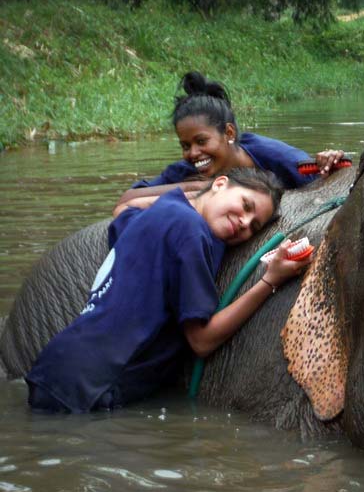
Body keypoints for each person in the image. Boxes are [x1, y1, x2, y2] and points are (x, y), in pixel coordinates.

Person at [26, 167, 308, 413]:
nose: (244, 222)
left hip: (60, 368)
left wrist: (197, 197)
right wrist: (270, 281)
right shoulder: (191, 231)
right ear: (220, 184)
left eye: (254, 225)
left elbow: (123, 212)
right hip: (90, 387)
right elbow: (202, 341)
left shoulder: (164, 210)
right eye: (245, 205)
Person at [113, 71, 345, 215]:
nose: (193, 153)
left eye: (201, 141)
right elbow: (127, 199)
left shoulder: (272, 156)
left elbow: (327, 182)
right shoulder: (187, 171)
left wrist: (329, 162)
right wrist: (199, 187)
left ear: (229, 133)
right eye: (185, 146)